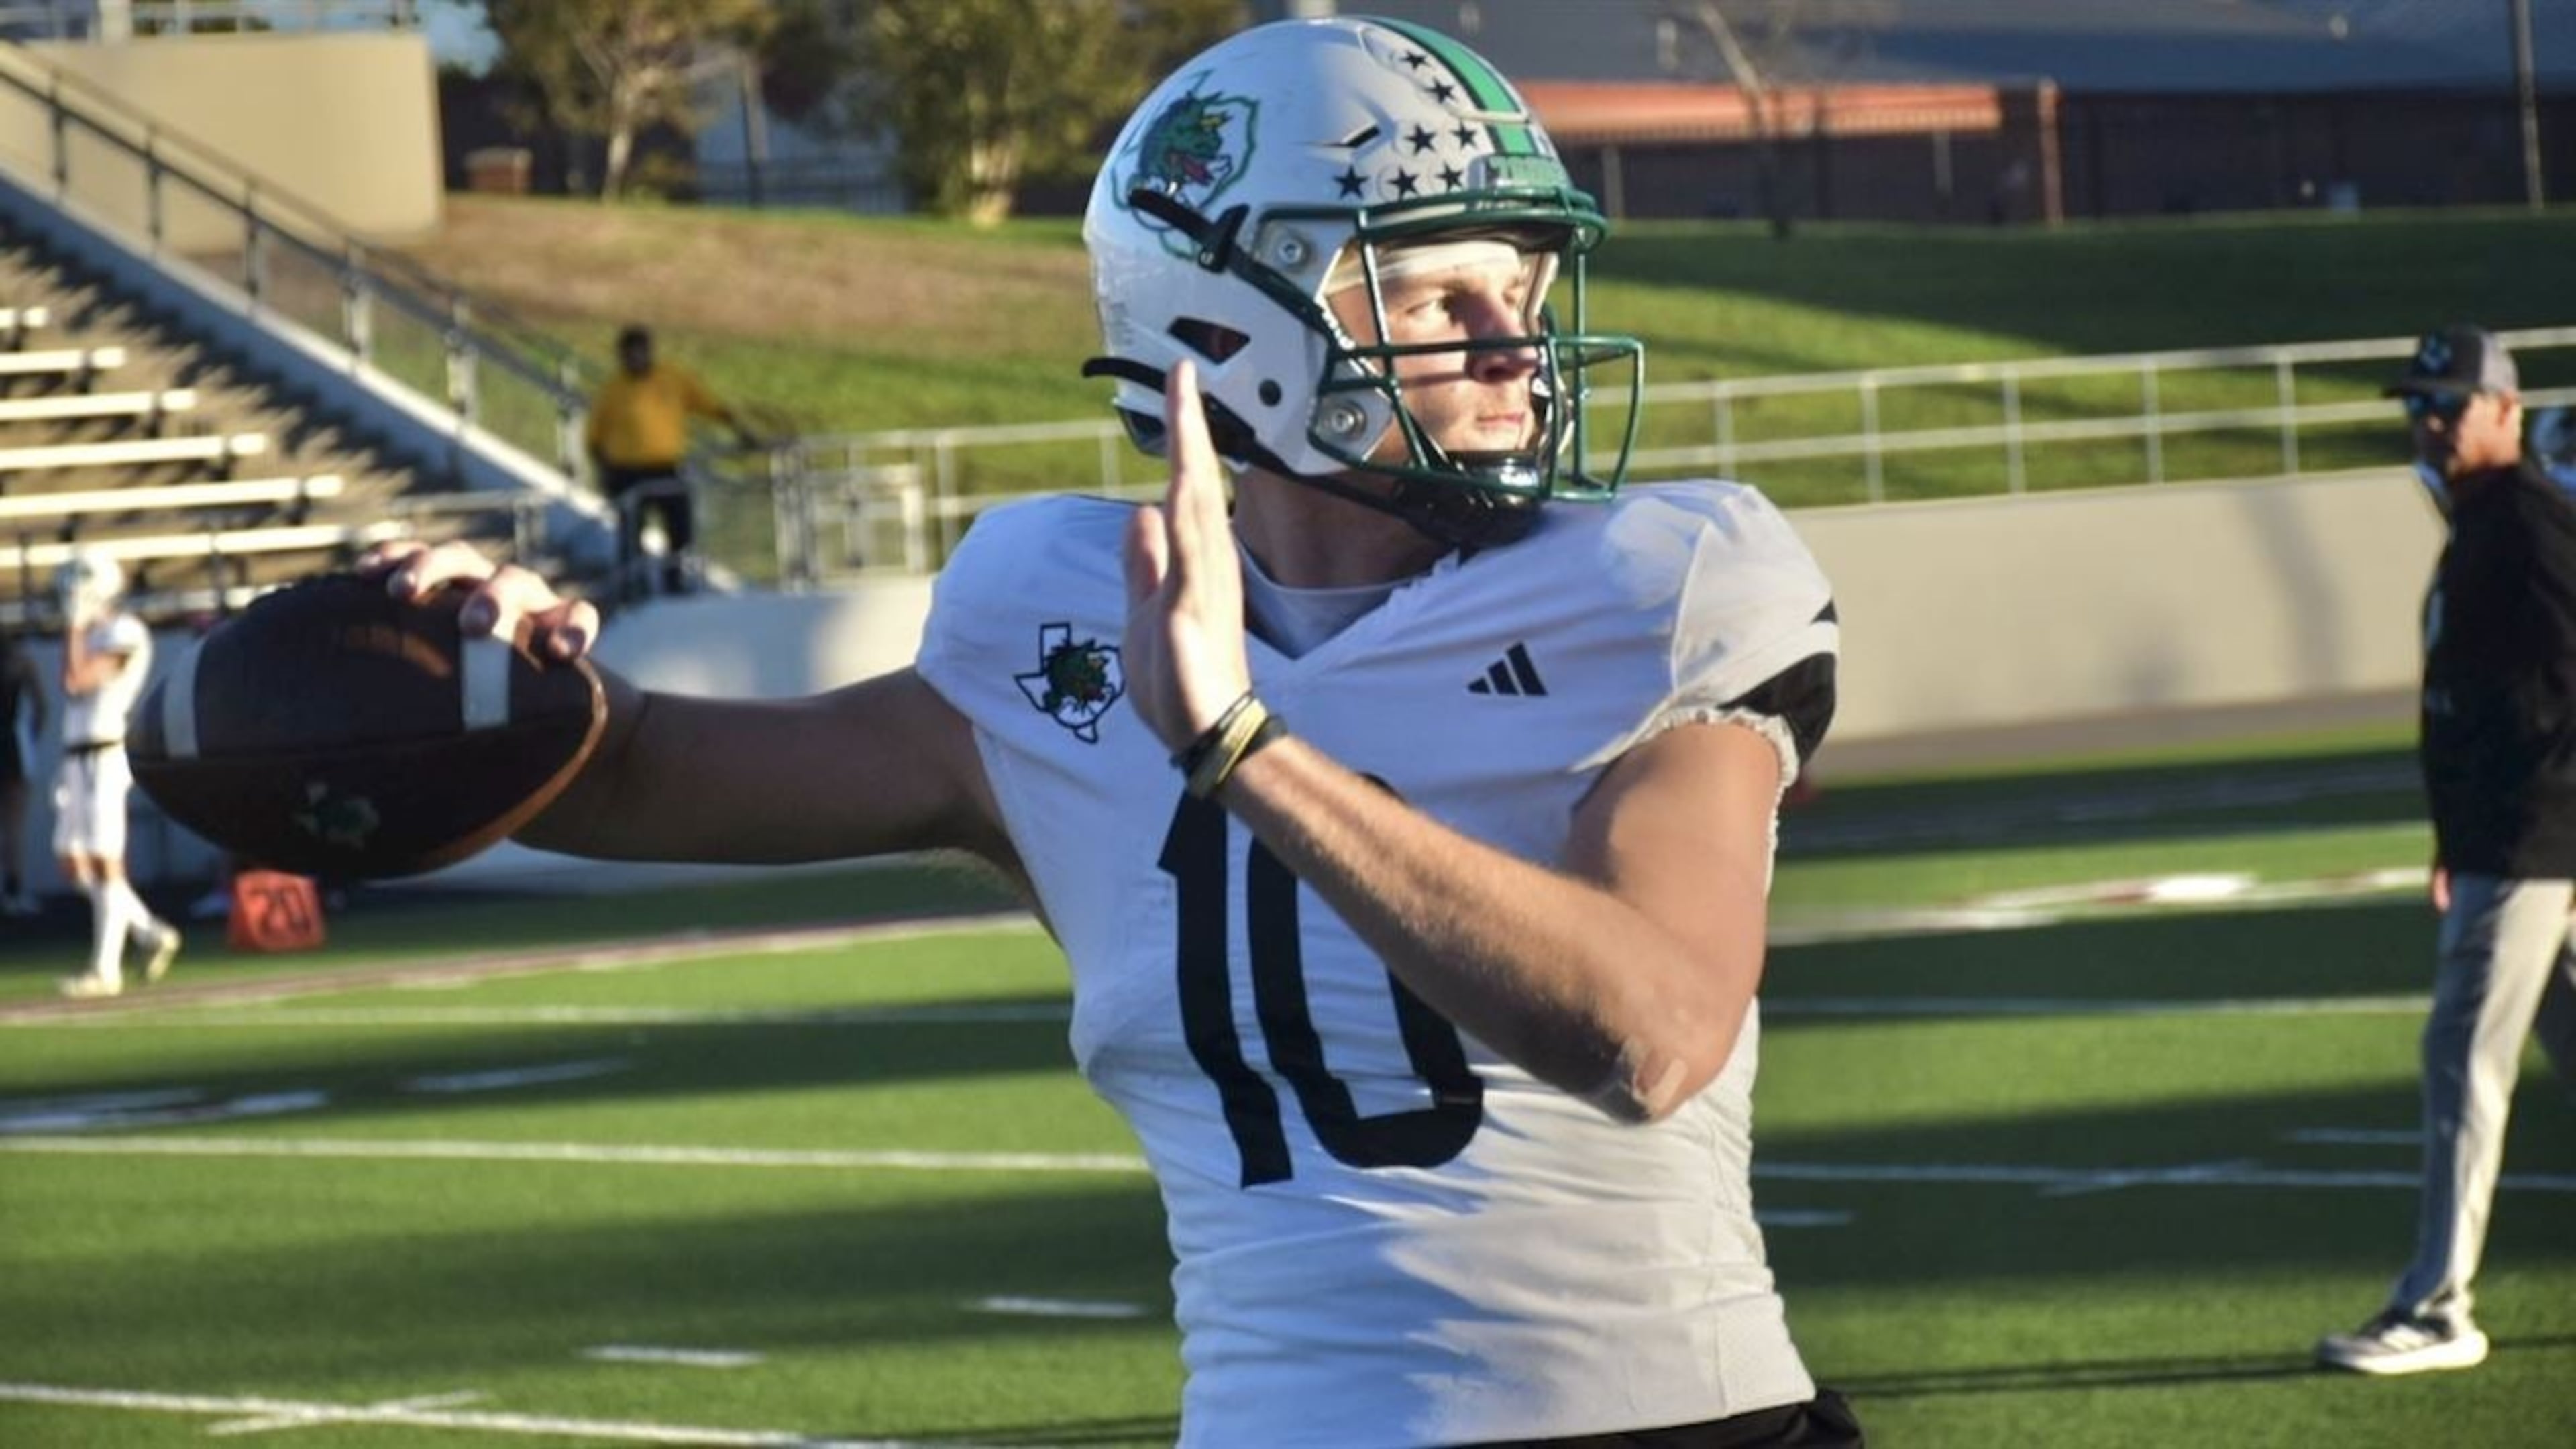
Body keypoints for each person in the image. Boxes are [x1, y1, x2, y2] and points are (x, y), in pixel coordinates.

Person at [378, 17, 1856, 1445]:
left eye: (1522, 293)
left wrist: (1241, 748)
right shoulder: (1058, 613)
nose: (1513, 349)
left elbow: (1649, 1037)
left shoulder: (1656, 583)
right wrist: (481, 672)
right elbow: (636, 774)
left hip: (1679, 1424)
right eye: (1435, 298)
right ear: (1230, 326)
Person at [2316, 325, 2576, 1376]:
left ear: (2505, 410)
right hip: (2509, 838)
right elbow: (2473, 700)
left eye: (2450, 401)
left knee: (2462, 1061)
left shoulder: (2524, 522)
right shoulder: (2483, 522)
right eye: (2419, 402)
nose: (2428, 419)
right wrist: (2447, 833)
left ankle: (2435, 1306)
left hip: (2531, 841)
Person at [52, 551, 180, 997]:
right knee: (73, 861)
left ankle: (105, 969)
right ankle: (148, 931)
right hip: (75, 757)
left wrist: (74, 626)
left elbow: (77, 680)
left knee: (106, 862)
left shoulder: (125, 631)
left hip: (105, 754)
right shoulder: (92, 632)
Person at [584, 323, 759, 598]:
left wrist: (740, 428)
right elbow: (594, 438)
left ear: (648, 352)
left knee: (680, 526)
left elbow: (709, 405)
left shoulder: (672, 379)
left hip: (666, 468)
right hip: (627, 472)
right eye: (629, 354)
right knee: (631, 532)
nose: (635, 359)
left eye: (639, 353)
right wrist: (604, 472)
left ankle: (675, 581)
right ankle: (634, 585)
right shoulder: (613, 390)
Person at [2, 627, 46, 916]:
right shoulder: (21, 662)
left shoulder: (20, 662)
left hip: (15, 743)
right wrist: (30, 737)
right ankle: (13, 890)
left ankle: (12, 890)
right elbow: (42, 707)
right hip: (14, 744)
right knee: (14, 824)